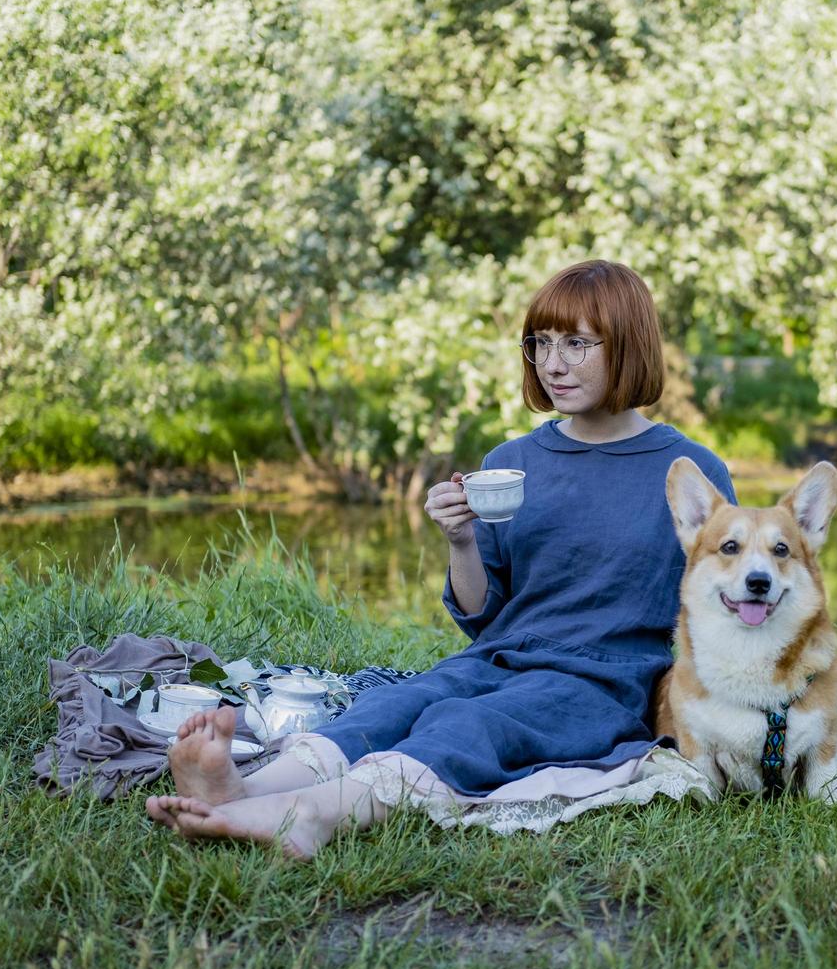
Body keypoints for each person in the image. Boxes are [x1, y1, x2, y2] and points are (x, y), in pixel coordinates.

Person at [146, 259, 735, 857]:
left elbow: (727, 600)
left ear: (629, 345)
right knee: (400, 702)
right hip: (498, 657)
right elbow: (485, 616)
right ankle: (243, 788)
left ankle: (311, 816)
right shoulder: (515, 459)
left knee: (466, 727)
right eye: (541, 344)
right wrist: (460, 541)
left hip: (603, 682)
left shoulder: (689, 471)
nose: (553, 364)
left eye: (578, 344)